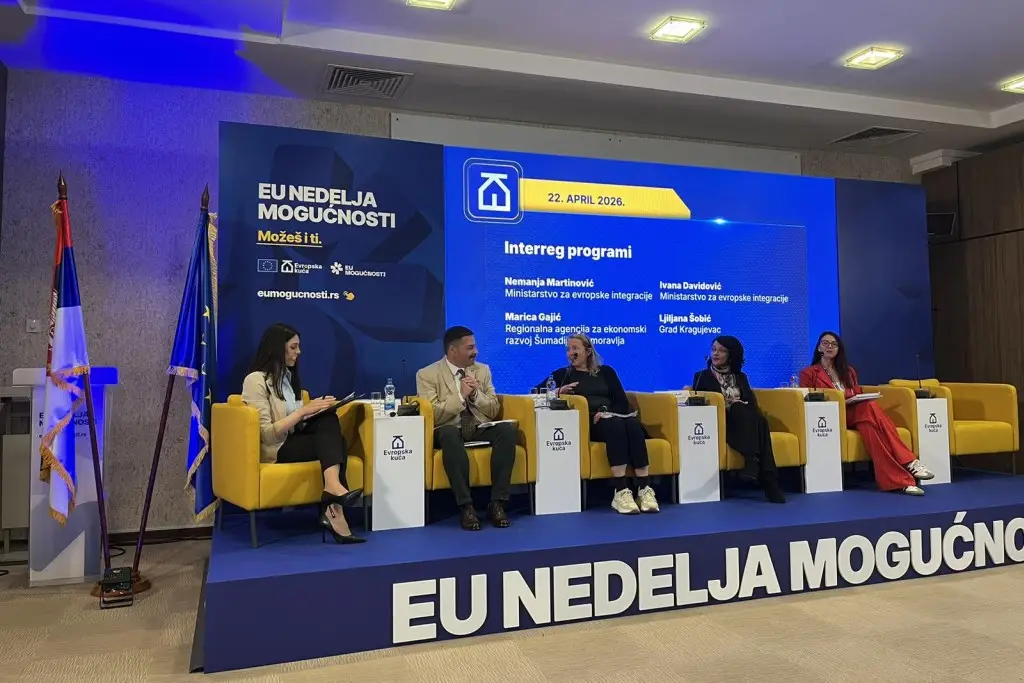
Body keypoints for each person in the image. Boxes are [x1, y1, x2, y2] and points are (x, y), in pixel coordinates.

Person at [241, 323, 365, 544]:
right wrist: (303, 412)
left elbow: (297, 423)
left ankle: (332, 489)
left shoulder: (287, 379)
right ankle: (334, 510)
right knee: (338, 443)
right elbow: (266, 435)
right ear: (277, 348)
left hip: (292, 439)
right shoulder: (255, 380)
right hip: (275, 448)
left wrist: (315, 411)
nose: (299, 352)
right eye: (293, 347)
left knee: (329, 420)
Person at [799, 331, 933, 496]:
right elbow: (808, 399)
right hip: (831, 417)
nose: (829, 347)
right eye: (825, 343)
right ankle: (909, 461)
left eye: (834, 344)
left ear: (839, 349)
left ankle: (901, 482)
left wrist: (853, 399)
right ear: (819, 347)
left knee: (870, 427)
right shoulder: (809, 373)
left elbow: (856, 393)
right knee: (870, 407)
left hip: (856, 414)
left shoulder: (848, 371)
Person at [541, 333, 659, 514]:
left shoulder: (606, 372)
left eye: (575, 348)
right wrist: (558, 391)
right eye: (568, 349)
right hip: (590, 422)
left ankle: (644, 489)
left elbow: (621, 401)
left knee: (633, 425)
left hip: (612, 415)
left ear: (588, 351)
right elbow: (537, 392)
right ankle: (621, 491)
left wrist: (608, 412)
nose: (570, 353)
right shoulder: (562, 374)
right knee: (615, 426)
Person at [416, 326, 517, 531]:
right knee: (448, 433)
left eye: (475, 346)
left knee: (506, 430)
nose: (475, 352)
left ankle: (498, 504)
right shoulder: (427, 374)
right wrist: (461, 396)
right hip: (448, 428)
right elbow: (432, 414)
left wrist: (475, 395)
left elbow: (493, 409)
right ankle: (466, 507)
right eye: (470, 348)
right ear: (453, 350)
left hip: (478, 426)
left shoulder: (482, 370)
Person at [692, 335, 786, 503]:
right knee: (746, 414)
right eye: (713, 349)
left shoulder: (740, 377)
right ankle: (767, 479)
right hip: (723, 424)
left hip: (744, 423)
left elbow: (752, 404)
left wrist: (739, 405)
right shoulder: (702, 376)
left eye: (721, 350)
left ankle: (754, 463)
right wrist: (730, 405)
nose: (715, 353)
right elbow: (701, 405)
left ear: (731, 355)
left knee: (758, 419)